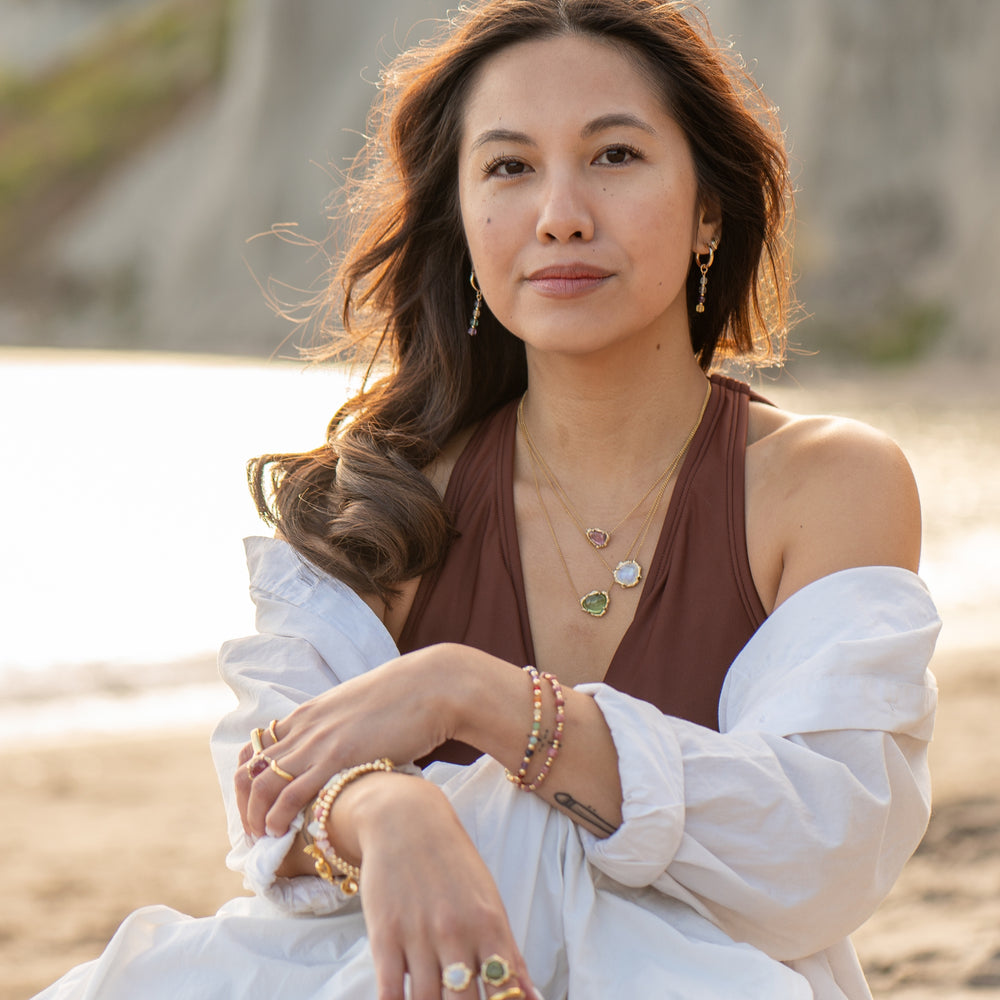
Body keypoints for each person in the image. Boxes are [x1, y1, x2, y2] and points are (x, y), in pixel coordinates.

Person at [36, 1, 939, 998]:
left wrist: (476, 696)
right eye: (508, 167)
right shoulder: (373, 503)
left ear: (709, 210)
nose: (560, 212)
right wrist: (387, 814)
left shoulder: (822, 483)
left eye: (616, 156)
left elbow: (821, 852)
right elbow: (268, 800)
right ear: (461, 225)